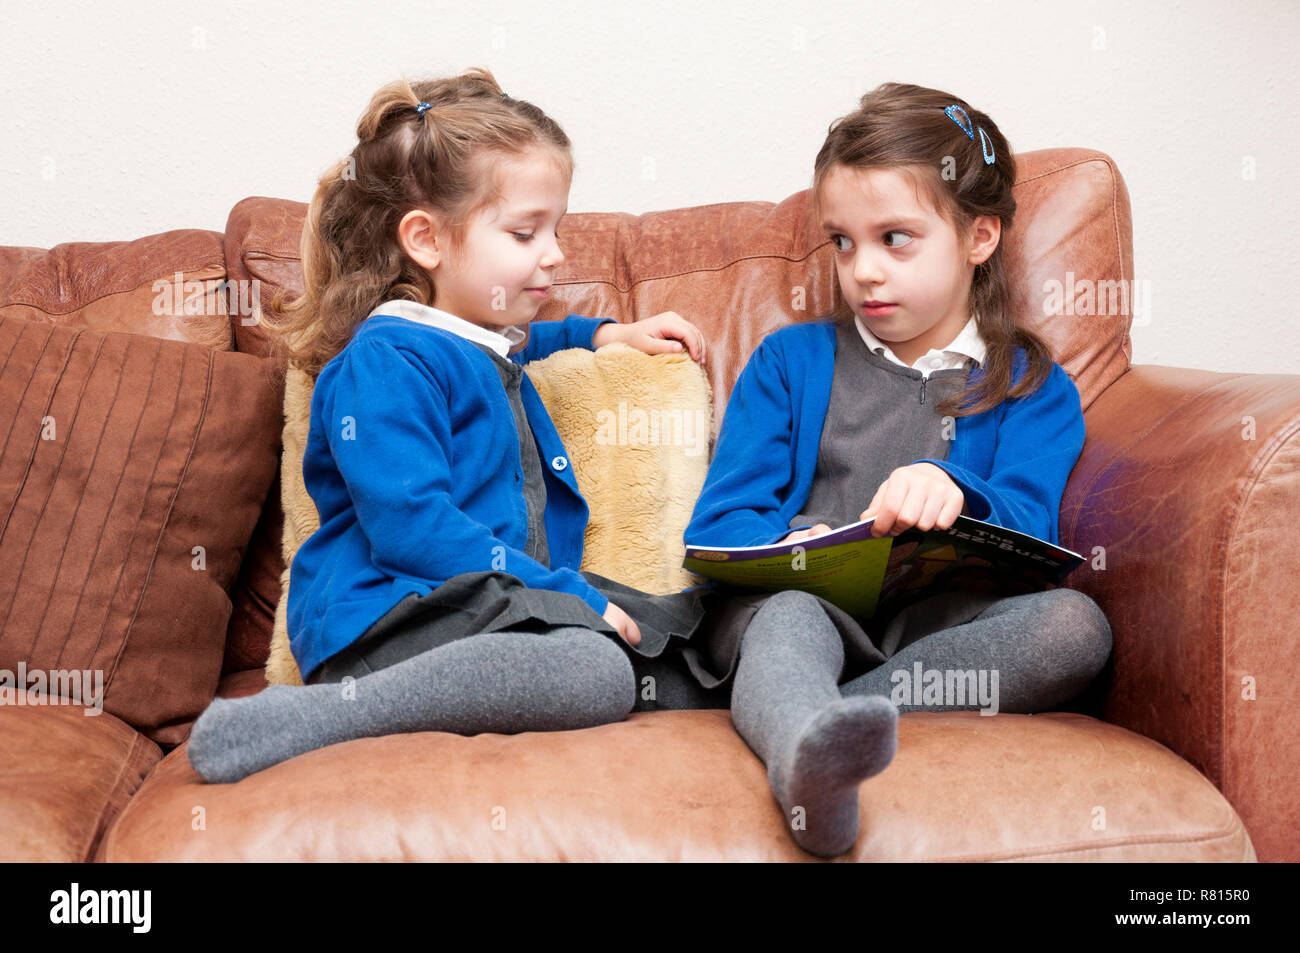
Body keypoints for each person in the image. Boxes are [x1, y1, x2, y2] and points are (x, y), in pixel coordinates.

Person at [186, 68, 721, 785]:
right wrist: (567, 595)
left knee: (692, 624)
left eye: (555, 229)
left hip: (483, 607)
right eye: (527, 231)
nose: (556, 253)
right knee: (591, 666)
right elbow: (414, 530)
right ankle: (298, 722)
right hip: (384, 620)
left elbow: (523, 348)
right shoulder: (384, 363)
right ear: (427, 241)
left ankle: (816, 686)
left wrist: (603, 334)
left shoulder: (472, 338)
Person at [681, 83, 1113, 857]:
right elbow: (717, 527)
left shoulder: (1030, 384)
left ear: (979, 236)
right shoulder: (790, 362)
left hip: (937, 628)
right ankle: (807, 749)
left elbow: (1032, 530)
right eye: (843, 242)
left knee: (1076, 628)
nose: (864, 271)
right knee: (784, 623)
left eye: (895, 238)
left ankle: (830, 716)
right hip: (802, 612)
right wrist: (795, 544)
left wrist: (956, 491)